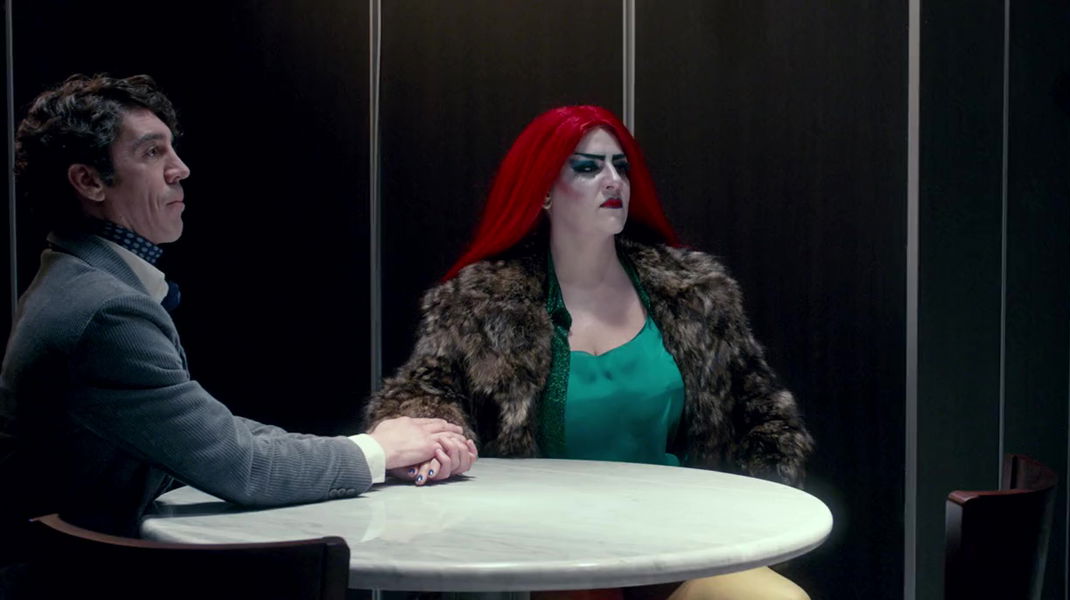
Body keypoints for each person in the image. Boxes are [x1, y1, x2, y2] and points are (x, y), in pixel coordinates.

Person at [0, 74, 476, 569]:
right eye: (152, 152)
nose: (180, 169)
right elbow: (240, 465)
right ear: (89, 181)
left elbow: (218, 434)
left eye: (172, 149)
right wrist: (376, 451)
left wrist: (377, 455)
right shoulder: (104, 310)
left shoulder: (76, 278)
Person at [364, 105, 813, 599]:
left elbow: (763, 415)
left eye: (621, 166)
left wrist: (754, 515)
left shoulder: (693, 294)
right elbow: (422, 397)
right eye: (587, 167)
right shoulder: (482, 302)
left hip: (677, 537)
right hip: (538, 547)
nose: (612, 180)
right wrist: (434, 443)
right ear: (543, 191)